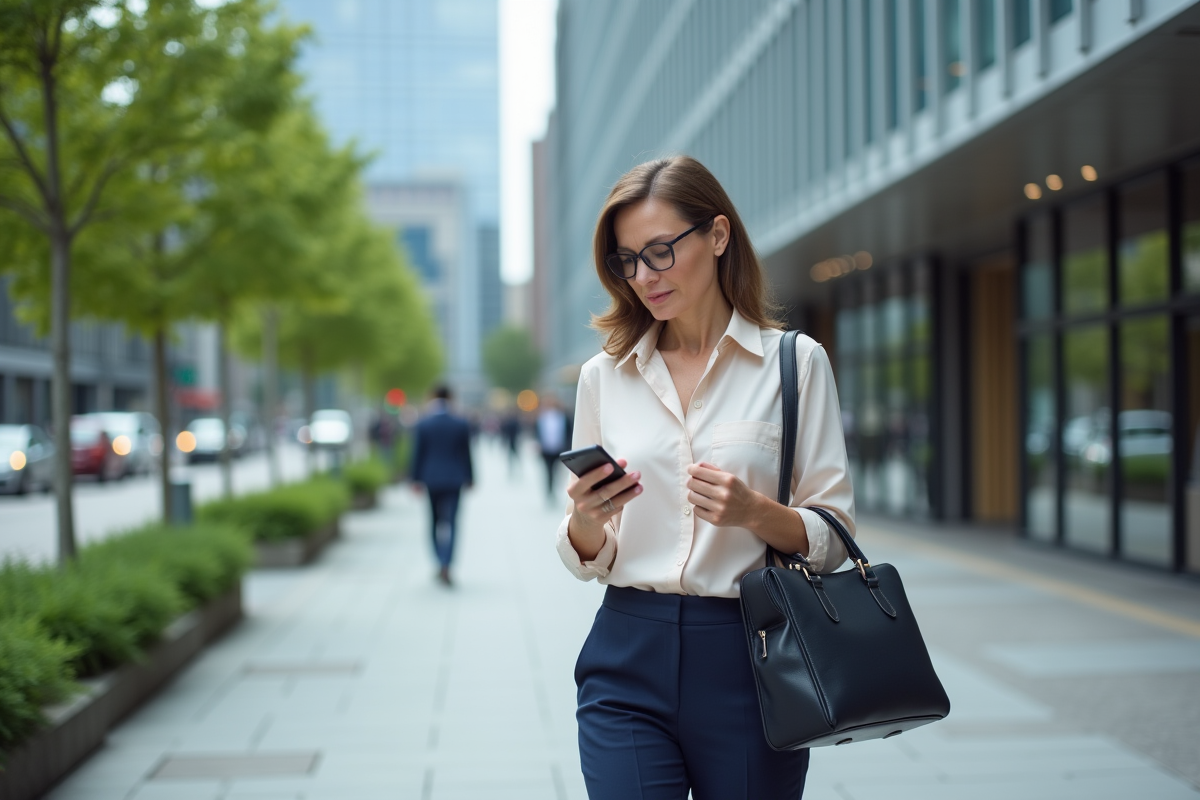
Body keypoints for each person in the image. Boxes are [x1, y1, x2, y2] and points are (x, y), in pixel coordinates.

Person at [555, 156, 854, 799]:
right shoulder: (603, 378)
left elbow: (834, 534)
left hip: (751, 659)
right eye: (626, 261)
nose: (643, 276)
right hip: (626, 653)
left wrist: (757, 514)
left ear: (717, 236)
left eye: (660, 251)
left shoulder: (795, 364)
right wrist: (584, 523)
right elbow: (591, 556)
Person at [410, 385, 474, 586]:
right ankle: (447, 563)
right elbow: (466, 453)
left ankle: (439, 560)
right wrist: (471, 477)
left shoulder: (424, 423)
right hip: (455, 479)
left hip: (431, 478)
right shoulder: (460, 422)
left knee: (434, 521)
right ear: (451, 398)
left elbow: (418, 453)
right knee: (452, 522)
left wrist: (415, 479)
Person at [536, 395, 572, 499]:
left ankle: (556, 487)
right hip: (546, 449)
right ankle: (550, 491)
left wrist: (567, 446)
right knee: (548, 471)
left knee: (559, 471)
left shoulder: (563, 417)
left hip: (559, 449)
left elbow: (568, 432)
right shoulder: (542, 417)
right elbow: (538, 432)